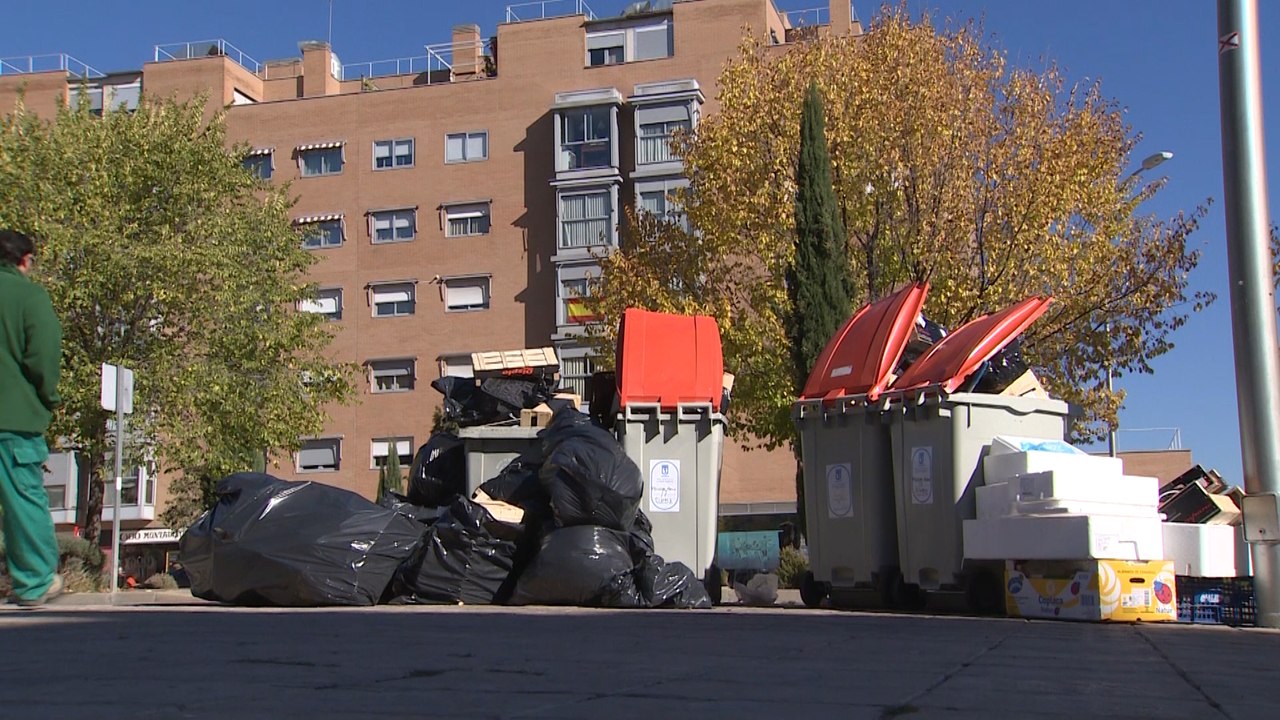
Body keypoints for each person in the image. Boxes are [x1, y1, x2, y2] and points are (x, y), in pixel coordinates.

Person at [0, 229, 64, 608]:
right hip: (13, 418)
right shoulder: (28, 296)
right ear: (25, 260)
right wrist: (48, 398)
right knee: (24, 500)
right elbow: (43, 357)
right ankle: (34, 581)